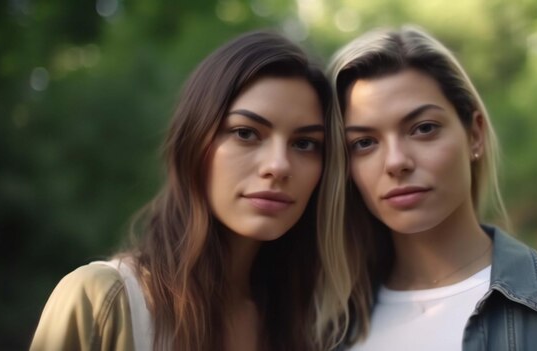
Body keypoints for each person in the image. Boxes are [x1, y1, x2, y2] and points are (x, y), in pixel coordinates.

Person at [30, 30, 341, 351]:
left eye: (305, 144)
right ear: (193, 142)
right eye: (246, 133)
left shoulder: (316, 326)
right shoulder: (104, 301)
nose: (278, 166)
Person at [320, 25, 537, 350]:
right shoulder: (324, 324)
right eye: (364, 143)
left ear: (474, 135)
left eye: (423, 128)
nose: (396, 162)